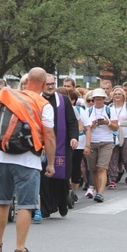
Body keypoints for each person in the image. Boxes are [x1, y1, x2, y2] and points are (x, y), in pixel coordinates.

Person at [0, 67, 55, 252]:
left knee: (2, 202)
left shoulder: (8, 97)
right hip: (28, 159)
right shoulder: (44, 104)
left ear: (26, 82)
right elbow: (49, 136)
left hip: (3, 157)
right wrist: (50, 163)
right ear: (43, 85)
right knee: (26, 205)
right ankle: (20, 248)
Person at [38, 74, 78, 219]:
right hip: (42, 145)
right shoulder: (36, 99)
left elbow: (72, 122)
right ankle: (46, 208)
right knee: (44, 178)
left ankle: (62, 201)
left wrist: (74, 137)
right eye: (47, 84)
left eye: (52, 83)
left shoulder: (64, 100)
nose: (50, 86)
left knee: (61, 177)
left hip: (61, 144)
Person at [83, 88, 118, 202]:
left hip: (106, 141)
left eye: (100, 99)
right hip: (92, 142)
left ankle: (101, 193)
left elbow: (116, 127)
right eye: (96, 99)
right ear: (92, 100)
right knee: (93, 169)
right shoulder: (87, 111)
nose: (98, 101)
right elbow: (84, 128)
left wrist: (107, 122)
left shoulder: (109, 110)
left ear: (104, 99)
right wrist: (91, 125)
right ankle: (98, 191)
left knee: (102, 168)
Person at [107, 87, 127, 188]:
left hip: (125, 134)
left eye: (119, 94)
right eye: (115, 94)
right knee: (113, 157)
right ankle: (113, 178)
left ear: (123, 95)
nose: (117, 96)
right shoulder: (110, 107)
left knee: (126, 157)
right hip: (113, 134)